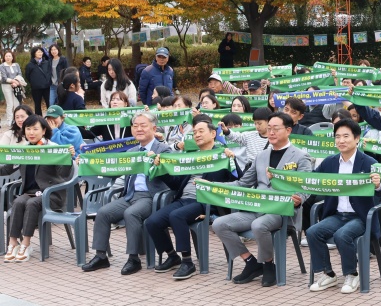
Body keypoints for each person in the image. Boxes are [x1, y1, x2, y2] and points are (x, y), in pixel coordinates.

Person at [210, 112, 313, 287]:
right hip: (257, 208)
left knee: (258, 226)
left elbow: (306, 185)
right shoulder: (261, 156)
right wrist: (212, 185)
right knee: (220, 224)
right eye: (269, 128)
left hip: (283, 211)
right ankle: (251, 263)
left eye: (276, 129)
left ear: (288, 130)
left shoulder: (300, 156)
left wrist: (299, 199)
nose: (271, 132)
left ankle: (268, 264)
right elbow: (243, 183)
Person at [144, 114, 236, 280]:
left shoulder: (222, 154)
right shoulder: (190, 156)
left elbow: (238, 180)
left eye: (201, 131)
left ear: (213, 134)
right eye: (194, 132)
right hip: (183, 199)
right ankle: (172, 256)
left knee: (176, 216)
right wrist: (162, 170)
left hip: (205, 202)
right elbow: (175, 184)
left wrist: (232, 160)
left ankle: (188, 262)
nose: (197, 135)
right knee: (152, 222)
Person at [82, 111, 175, 275]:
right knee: (103, 212)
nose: (138, 129)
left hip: (150, 197)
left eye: (143, 125)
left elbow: (169, 177)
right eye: (135, 125)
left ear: (154, 128)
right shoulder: (131, 150)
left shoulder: (164, 150)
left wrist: (156, 163)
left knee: (131, 214)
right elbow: (117, 172)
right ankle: (101, 256)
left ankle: (134, 258)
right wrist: (84, 161)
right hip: (130, 195)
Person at [306, 118, 381, 294]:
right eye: (337, 137)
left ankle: (352, 273)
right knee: (312, 232)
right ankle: (328, 273)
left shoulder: (369, 162)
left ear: (357, 139)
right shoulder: (330, 162)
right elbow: (312, 181)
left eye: (346, 136)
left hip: (360, 216)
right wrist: (285, 177)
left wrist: (378, 185)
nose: (341, 141)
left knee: (343, 236)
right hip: (336, 215)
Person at [1, 114, 75, 263]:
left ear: (43, 131)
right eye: (28, 129)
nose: (31, 133)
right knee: (18, 202)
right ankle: (13, 243)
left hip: (51, 194)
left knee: (31, 203)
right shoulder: (23, 149)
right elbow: (7, 170)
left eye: (35, 129)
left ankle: (26, 244)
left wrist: (68, 158)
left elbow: (64, 174)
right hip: (29, 192)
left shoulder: (53, 148)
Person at [1, 50, 26, 130]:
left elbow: (19, 74)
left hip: (16, 86)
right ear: (4, 57)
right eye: (6, 56)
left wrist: (16, 82)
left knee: (17, 103)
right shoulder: (2, 66)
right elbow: (4, 78)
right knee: (10, 104)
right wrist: (12, 81)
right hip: (6, 86)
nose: (8, 58)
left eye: (9, 56)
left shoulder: (16, 65)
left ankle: (17, 120)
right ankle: (9, 120)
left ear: (12, 57)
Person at [24, 46, 50, 114]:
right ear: (34, 53)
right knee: (37, 104)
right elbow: (27, 76)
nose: (40, 53)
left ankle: (51, 118)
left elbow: (49, 73)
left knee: (49, 104)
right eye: (38, 52)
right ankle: (39, 119)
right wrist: (34, 82)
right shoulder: (30, 65)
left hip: (46, 87)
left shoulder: (46, 63)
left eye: (41, 52)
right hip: (36, 88)